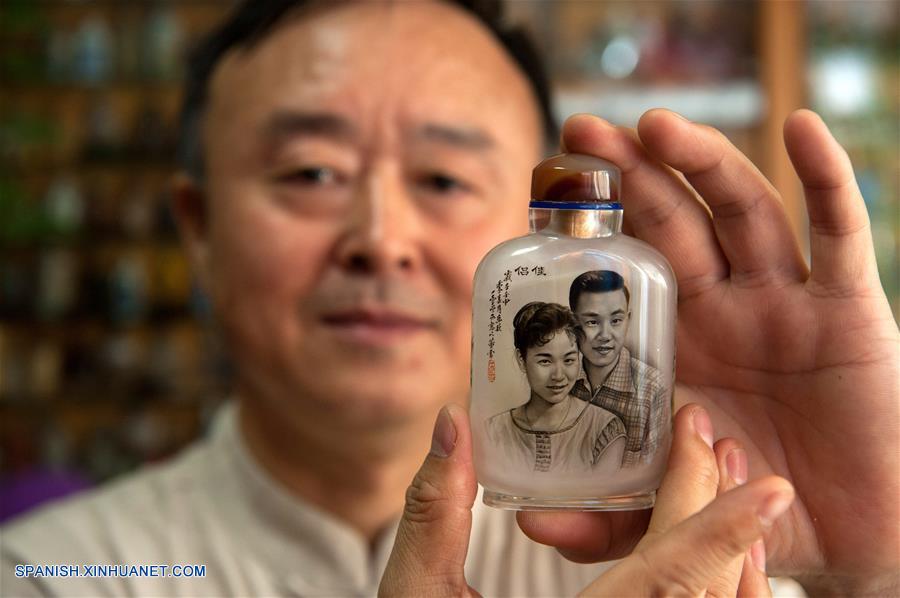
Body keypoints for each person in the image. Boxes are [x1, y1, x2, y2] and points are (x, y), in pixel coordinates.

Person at [1, 1, 897, 597]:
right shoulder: (60, 572)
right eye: (310, 171)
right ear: (196, 226)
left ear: (539, 220)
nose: (381, 237)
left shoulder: (705, 541)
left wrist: (870, 559)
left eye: (442, 176)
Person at [485, 301, 626, 473]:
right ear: (521, 360)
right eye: (545, 361)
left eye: (569, 360)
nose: (558, 375)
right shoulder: (493, 431)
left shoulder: (604, 429)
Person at [568, 270, 668, 467]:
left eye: (616, 321)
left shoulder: (653, 389)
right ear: (573, 324)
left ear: (628, 320)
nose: (605, 335)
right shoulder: (560, 380)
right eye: (592, 322)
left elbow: (650, 475)